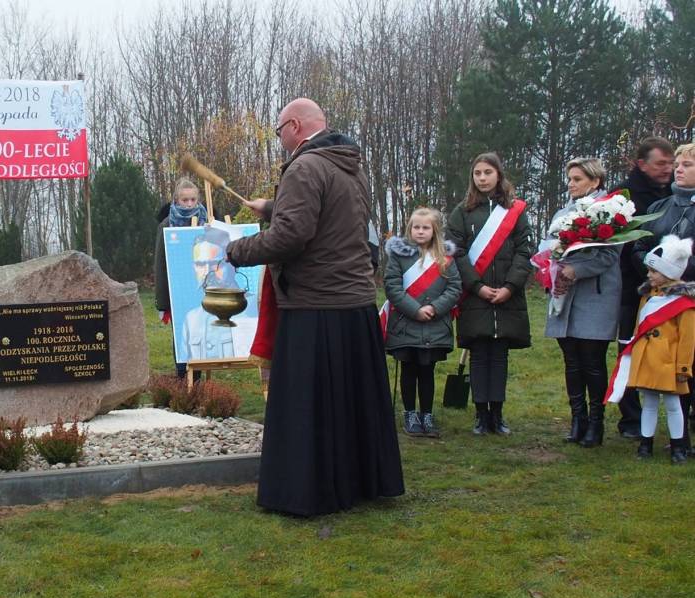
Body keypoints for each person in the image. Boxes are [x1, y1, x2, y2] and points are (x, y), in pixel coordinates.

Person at [224, 97, 404, 516]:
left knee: (311, 408)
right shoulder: (349, 164)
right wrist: (273, 207)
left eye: (278, 130)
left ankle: (308, 491)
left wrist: (236, 250)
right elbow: (334, 218)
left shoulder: (304, 167)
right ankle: (359, 483)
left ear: (294, 126)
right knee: (350, 406)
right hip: (354, 301)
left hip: (316, 305)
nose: (279, 138)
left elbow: (291, 238)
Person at [446, 152, 533, 436]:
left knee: (499, 357)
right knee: (479, 354)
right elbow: (455, 253)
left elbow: (524, 250)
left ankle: (498, 413)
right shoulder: (462, 211)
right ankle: (481, 415)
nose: (482, 178)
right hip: (475, 296)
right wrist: (477, 286)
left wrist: (510, 287)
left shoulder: (515, 211)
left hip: (507, 295)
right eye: (477, 173)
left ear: (499, 174)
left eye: (487, 172)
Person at [545, 158, 620, 447]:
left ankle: (596, 423)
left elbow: (609, 255)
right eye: (569, 179)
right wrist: (549, 265)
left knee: (592, 361)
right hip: (564, 295)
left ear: (595, 181)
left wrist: (578, 269)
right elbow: (551, 247)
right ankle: (578, 420)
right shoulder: (563, 213)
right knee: (571, 361)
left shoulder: (611, 211)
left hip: (595, 295)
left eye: (577, 179)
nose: (571, 184)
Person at [631, 142, 695, 452]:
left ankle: (684, 438)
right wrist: (657, 269)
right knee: (668, 369)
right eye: (678, 164)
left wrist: (680, 271)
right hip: (659, 297)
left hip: (691, 296)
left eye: (687, 165)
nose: (678, 169)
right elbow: (639, 246)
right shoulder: (658, 207)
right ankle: (669, 439)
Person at [612, 137, 675, 438]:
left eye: (671, 163)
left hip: (674, 287)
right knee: (628, 349)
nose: (668, 169)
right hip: (631, 287)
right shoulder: (623, 196)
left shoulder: (676, 193)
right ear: (641, 164)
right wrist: (648, 273)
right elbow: (621, 244)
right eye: (661, 163)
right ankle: (631, 419)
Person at [384, 207, 461, 438]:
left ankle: (426, 414)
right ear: (410, 228)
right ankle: (409, 413)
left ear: (435, 230)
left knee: (427, 372)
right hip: (406, 325)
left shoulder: (445, 258)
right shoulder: (399, 256)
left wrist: (434, 308)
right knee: (409, 371)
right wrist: (415, 310)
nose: (420, 231)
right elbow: (392, 287)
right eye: (416, 227)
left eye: (425, 227)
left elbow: (455, 287)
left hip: (434, 326)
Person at [622, 235, 695, 463]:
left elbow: (687, 339)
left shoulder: (684, 304)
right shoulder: (647, 297)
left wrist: (683, 366)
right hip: (647, 359)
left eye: (653, 271)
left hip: (669, 363)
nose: (649, 275)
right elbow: (639, 327)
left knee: (674, 406)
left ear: (669, 273)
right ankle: (646, 444)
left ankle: (678, 447)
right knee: (650, 403)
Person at [155, 178, 209, 377]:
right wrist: (162, 303)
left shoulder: (208, 221)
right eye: (185, 200)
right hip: (178, 290)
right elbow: (160, 265)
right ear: (177, 201)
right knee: (182, 333)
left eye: (192, 199)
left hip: (203, 287)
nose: (189, 204)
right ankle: (182, 378)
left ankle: (198, 377)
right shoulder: (167, 225)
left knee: (203, 331)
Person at [180, 226, 258, 361]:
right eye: (200, 264)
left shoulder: (252, 307)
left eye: (216, 264)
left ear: (232, 264)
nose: (208, 272)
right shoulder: (191, 319)